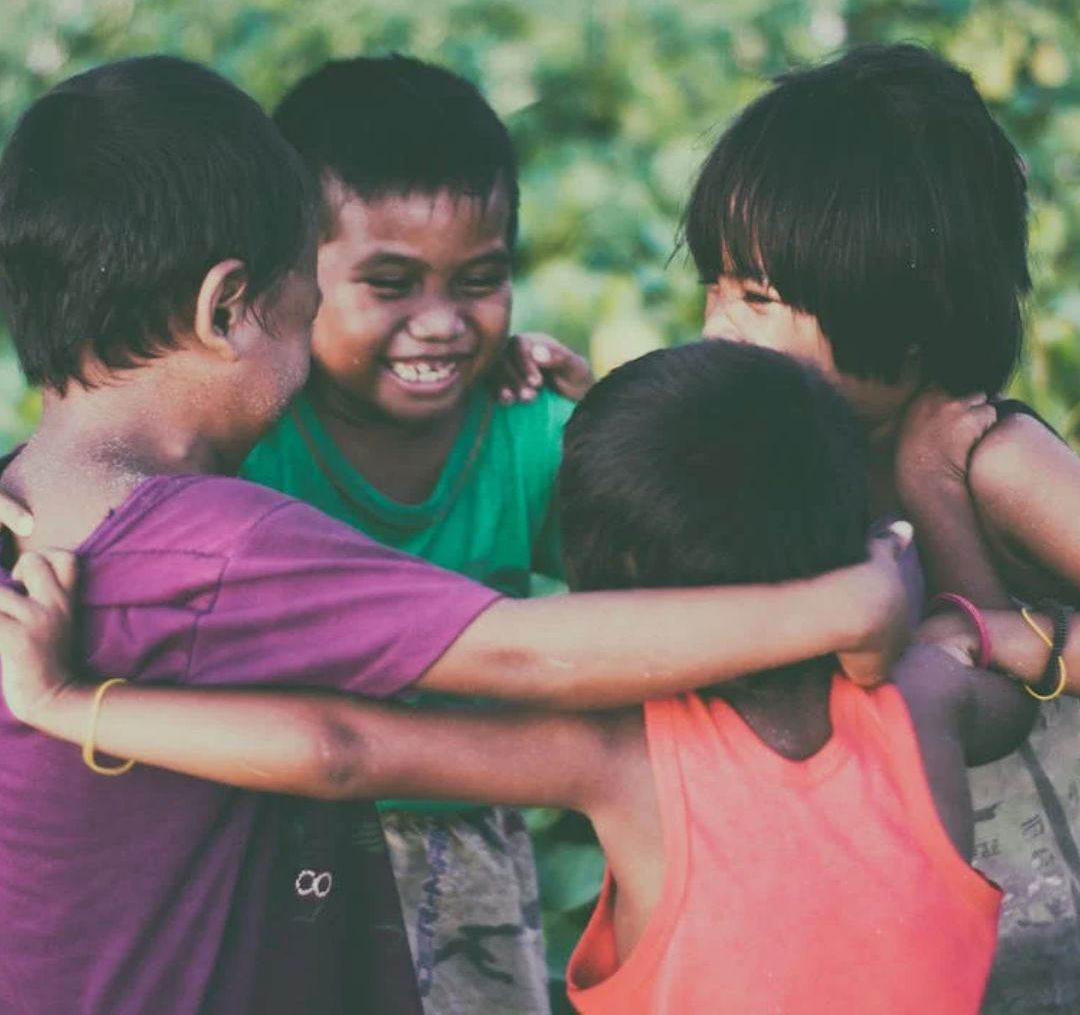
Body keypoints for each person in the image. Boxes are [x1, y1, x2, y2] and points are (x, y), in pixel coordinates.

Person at [0, 56, 910, 1015]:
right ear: (226, 309)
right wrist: (839, 604)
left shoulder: (28, 499)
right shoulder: (216, 544)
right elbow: (518, 655)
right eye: (307, 301)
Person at [0, 340, 1035, 1014]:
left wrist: (63, 702)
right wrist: (922, 536)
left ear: (603, 586)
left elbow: (338, 748)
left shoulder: (619, 757)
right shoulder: (928, 694)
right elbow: (1000, 675)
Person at [684, 42, 1080, 1012]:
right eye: (717, 284)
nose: (717, 327)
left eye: (760, 299)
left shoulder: (998, 459)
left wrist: (1009, 627)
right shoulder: (783, 455)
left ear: (907, 336)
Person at [254, 55, 585, 1012]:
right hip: (276, 834)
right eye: (391, 284)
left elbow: (673, 566)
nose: (440, 324)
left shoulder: (535, 434)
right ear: (287, 274)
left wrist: (614, 416)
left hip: (470, 845)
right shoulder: (249, 439)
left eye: (479, 281)